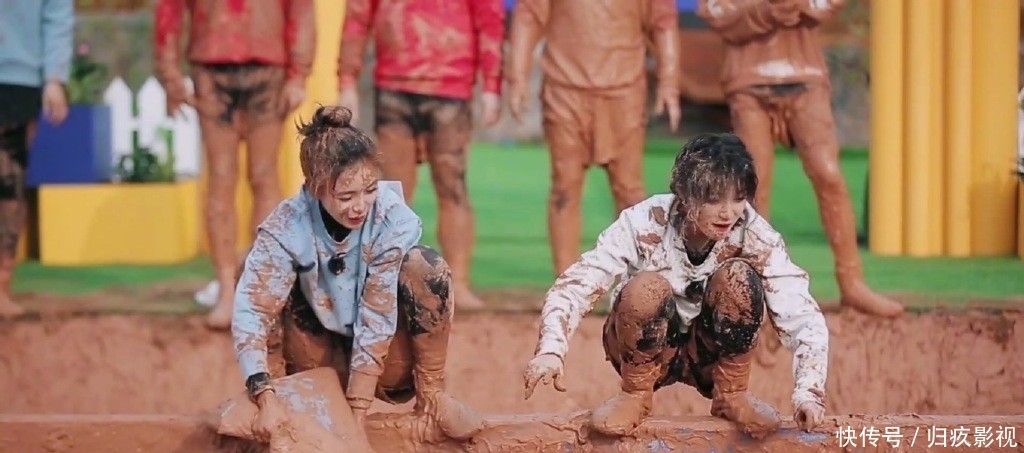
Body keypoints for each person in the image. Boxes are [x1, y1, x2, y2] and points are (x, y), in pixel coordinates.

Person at [522, 133, 829, 439]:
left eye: (738, 198)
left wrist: (809, 392)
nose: (728, 212)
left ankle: (731, 394)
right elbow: (577, 283)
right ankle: (635, 395)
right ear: (684, 196)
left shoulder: (755, 234)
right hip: (644, 351)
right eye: (713, 199)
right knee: (647, 288)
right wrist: (551, 350)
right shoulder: (642, 222)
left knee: (739, 278)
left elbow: (801, 312)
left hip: (709, 354)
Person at [232, 106, 483, 444]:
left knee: (425, 265)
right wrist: (264, 395)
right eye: (346, 196)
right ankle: (279, 405)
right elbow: (253, 313)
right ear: (314, 189)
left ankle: (432, 398)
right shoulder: (287, 225)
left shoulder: (391, 218)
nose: (360, 206)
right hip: (315, 359)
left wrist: (355, 416)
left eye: (369, 190)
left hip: (384, 362)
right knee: (253, 270)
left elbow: (377, 313)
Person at [696, 0, 903, 318]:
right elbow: (715, 11)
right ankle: (753, 288)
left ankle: (852, 282)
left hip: (804, 76)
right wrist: (765, 12)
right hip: (749, 79)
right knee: (752, 184)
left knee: (828, 174)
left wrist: (801, 5)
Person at [154, 0, 316, 329]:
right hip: (212, 64)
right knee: (222, 177)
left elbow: (300, 9)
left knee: (264, 175)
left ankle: (258, 289)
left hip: (268, 65)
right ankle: (227, 290)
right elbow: (169, 11)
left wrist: (299, 74)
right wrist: (170, 75)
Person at [337, 0, 506, 309]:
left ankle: (460, 285)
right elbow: (358, 17)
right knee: (391, 193)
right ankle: (388, 282)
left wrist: (492, 86)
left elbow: (489, 19)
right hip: (394, 88)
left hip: (451, 89)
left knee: (452, 186)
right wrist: (347, 78)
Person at [506, 0, 682, 277]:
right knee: (565, 188)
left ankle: (636, 287)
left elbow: (663, 21)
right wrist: (517, 78)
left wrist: (669, 80)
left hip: (623, 90)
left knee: (629, 191)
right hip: (565, 89)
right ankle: (566, 284)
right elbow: (528, 15)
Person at [0, 0, 73, 318]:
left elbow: (57, 15)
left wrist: (54, 78)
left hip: (19, 76)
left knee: (9, 184)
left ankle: (2, 285)